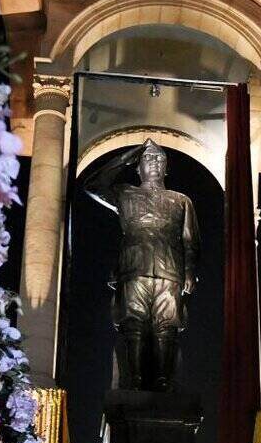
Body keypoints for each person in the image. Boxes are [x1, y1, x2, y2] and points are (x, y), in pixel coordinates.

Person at [83, 139, 200, 391]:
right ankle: (133, 379)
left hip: (170, 269)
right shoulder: (125, 193)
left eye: (159, 159)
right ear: (138, 167)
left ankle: (163, 380)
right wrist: (127, 156)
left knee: (166, 326)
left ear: (166, 168)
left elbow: (190, 240)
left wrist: (189, 271)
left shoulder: (181, 200)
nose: (154, 162)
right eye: (147, 158)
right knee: (133, 323)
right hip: (133, 267)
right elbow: (93, 185)